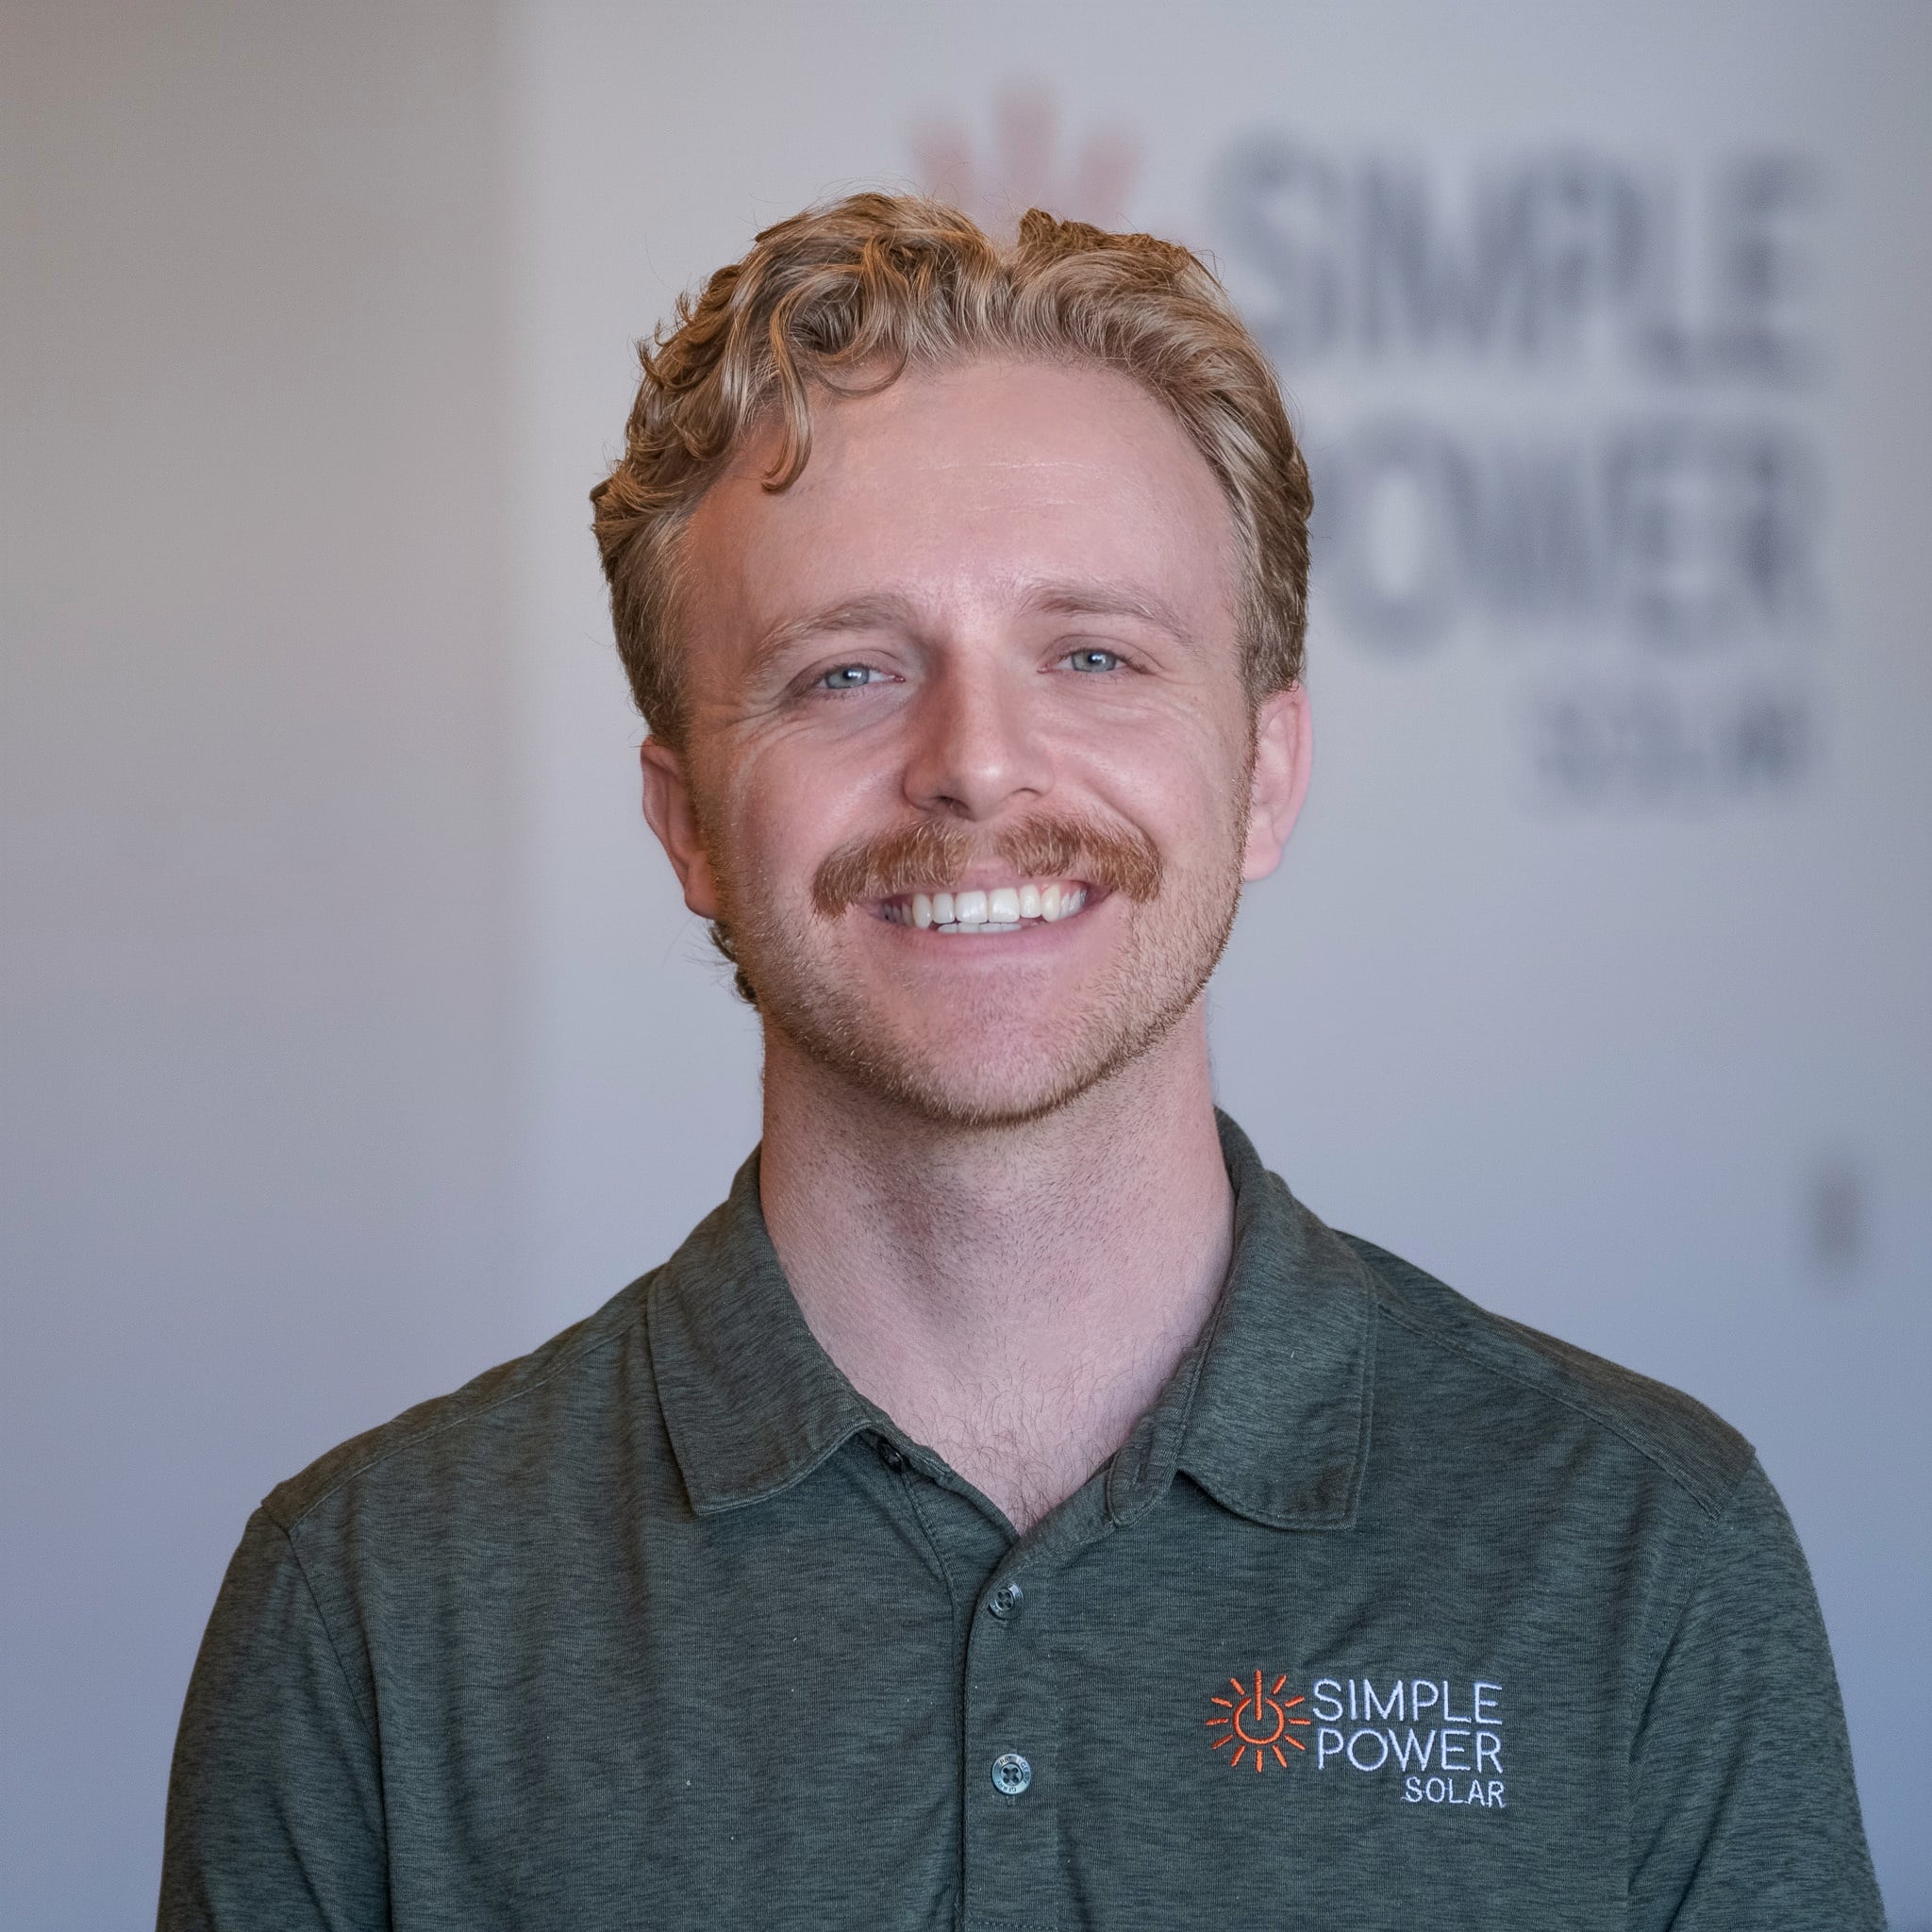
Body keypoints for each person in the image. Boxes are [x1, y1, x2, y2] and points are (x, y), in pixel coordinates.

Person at [158, 195, 1883, 1931]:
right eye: (845, 671)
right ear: (687, 824)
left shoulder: (1644, 1552)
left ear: (1268, 771)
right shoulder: (371, 1606)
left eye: (1093, 655)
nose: (977, 764)